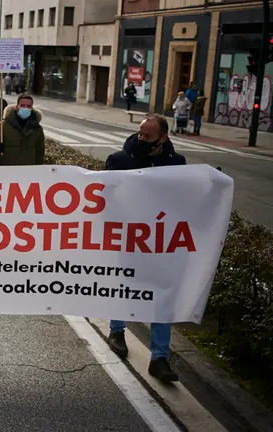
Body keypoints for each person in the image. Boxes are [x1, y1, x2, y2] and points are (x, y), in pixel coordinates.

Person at [104, 114, 186, 383]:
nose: (141, 139)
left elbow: (184, 200)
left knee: (163, 295)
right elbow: (104, 197)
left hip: (160, 240)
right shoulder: (120, 160)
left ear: (163, 137)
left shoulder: (177, 164)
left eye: (148, 136)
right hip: (129, 237)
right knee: (124, 284)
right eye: (140, 133)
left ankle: (159, 358)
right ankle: (117, 331)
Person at [0, 95, 45, 166]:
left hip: (28, 169)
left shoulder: (37, 128)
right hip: (8, 168)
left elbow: (40, 152)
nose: (25, 108)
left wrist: (39, 167)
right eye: (22, 105)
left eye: (28, 106)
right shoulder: (2, 126)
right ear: (17, 107)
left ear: (32, 108)